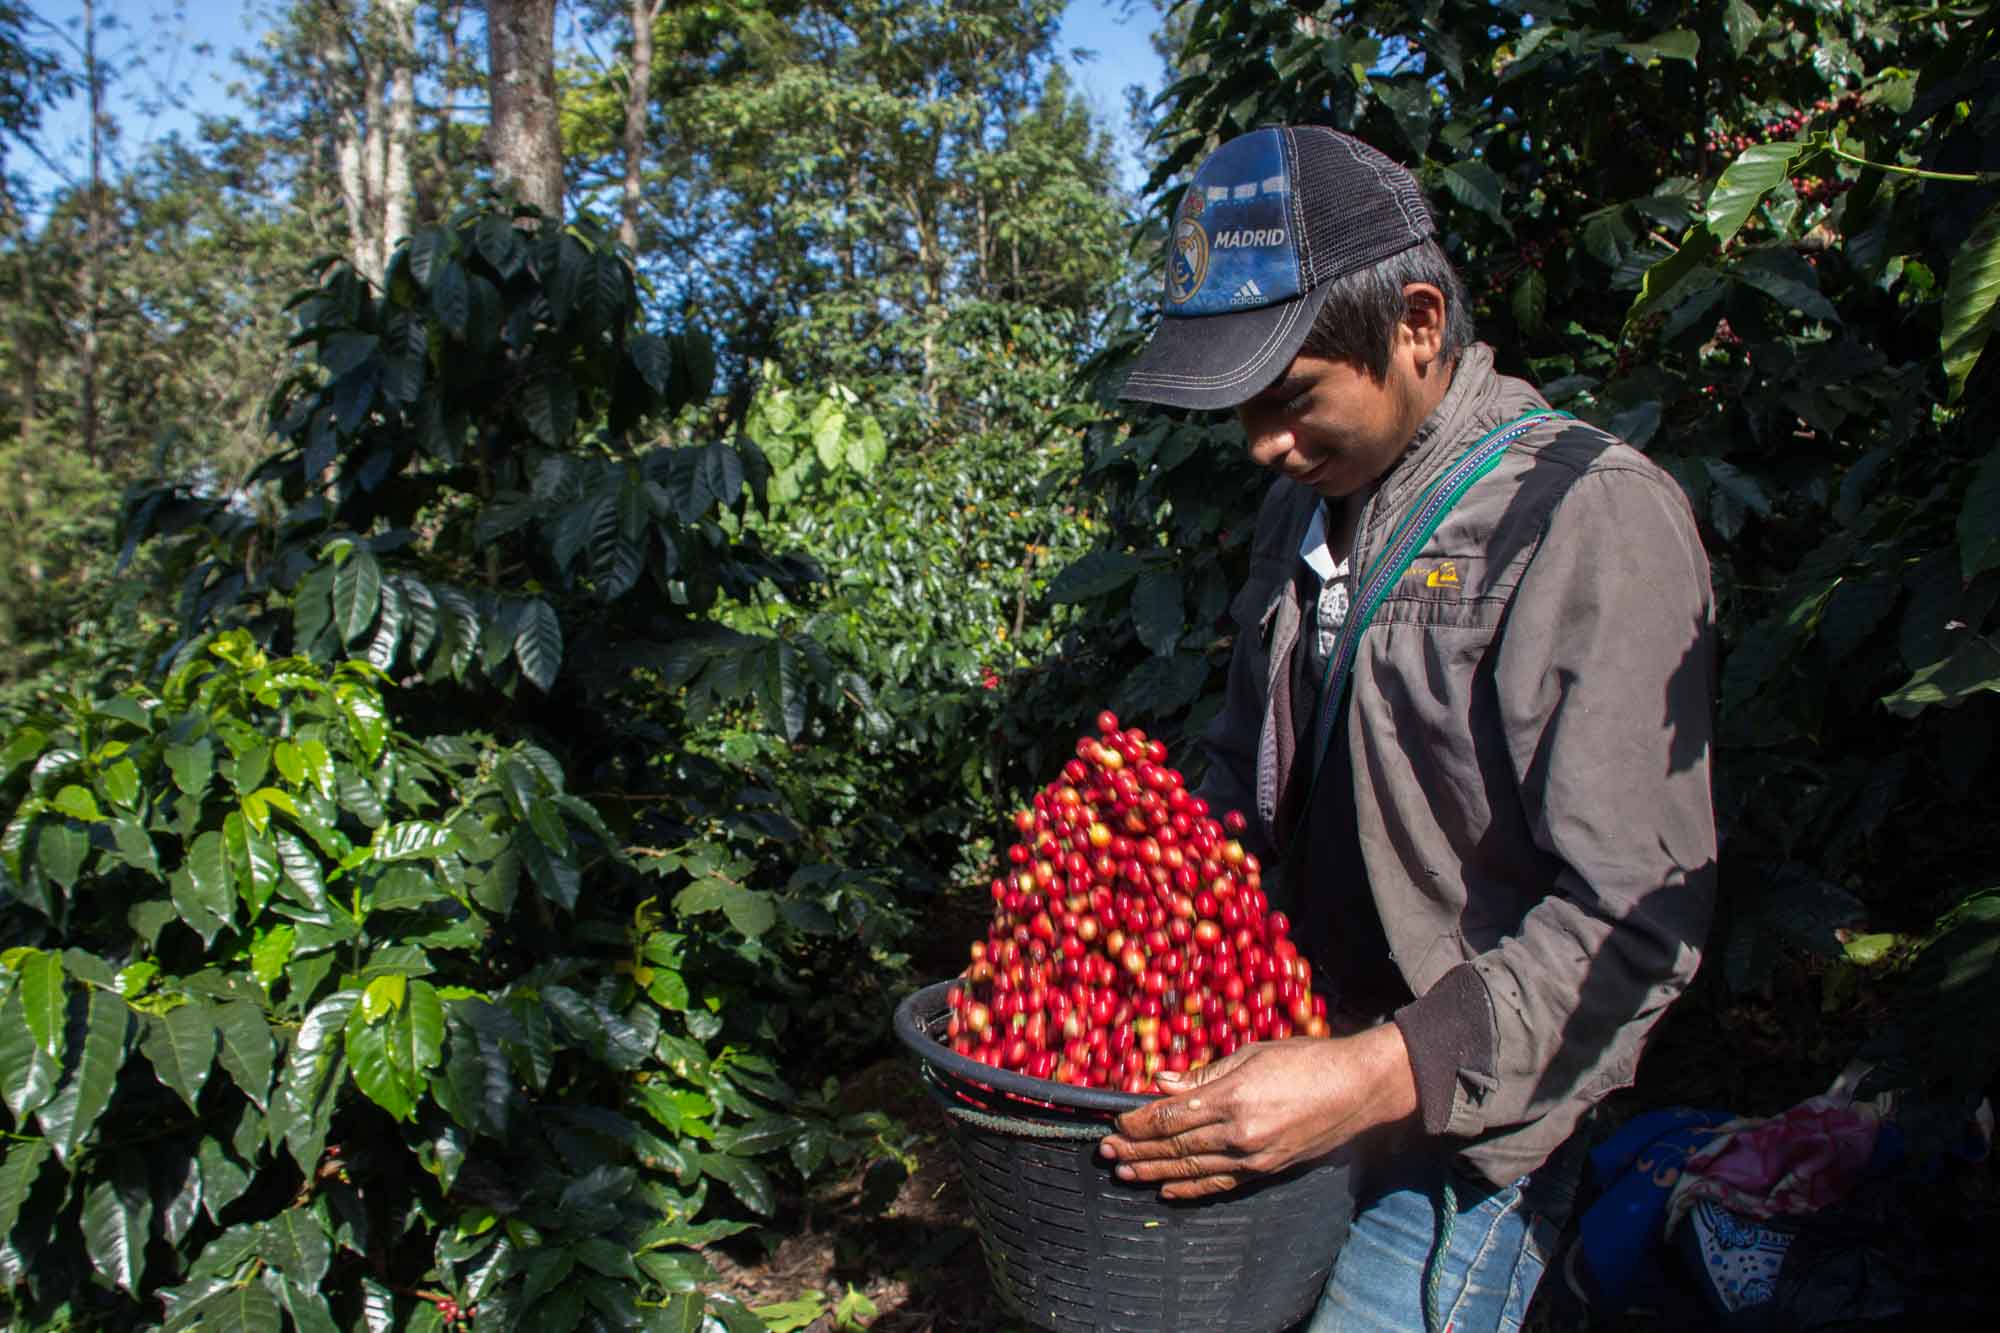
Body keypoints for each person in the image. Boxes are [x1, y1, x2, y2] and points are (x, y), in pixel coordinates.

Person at [1097, 124, 1718, 1332]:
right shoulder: (1302, 512)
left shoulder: (1581, 520)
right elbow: (1246, 771)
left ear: (1417, 324)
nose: (1261, 446)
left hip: (1479, 1133)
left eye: (1287, 400)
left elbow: (1635, 917)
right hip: (1297, 1063)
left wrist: (1376, 1072)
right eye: (1239, 412)